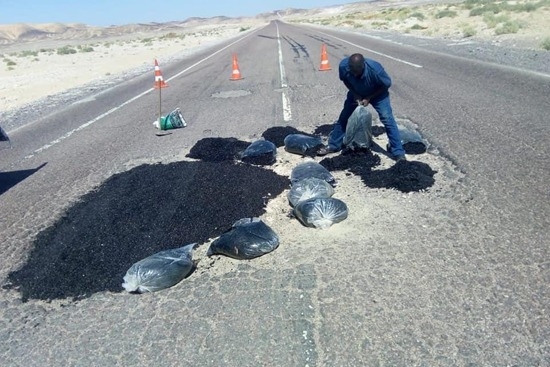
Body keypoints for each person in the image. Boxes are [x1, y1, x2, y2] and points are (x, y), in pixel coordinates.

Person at [318, 53, 406, 161]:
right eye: (352, 72)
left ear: (363, 66)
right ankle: (333, 145)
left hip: (377, 94)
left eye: (357, 73)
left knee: (387, 119)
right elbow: (345, 80)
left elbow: (385, 85)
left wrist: (369, 97)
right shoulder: (343, 66)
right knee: (344, 117)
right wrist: (355, 94)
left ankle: (398, 152)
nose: (354, 75)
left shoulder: (375, 70)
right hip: (356, 93)